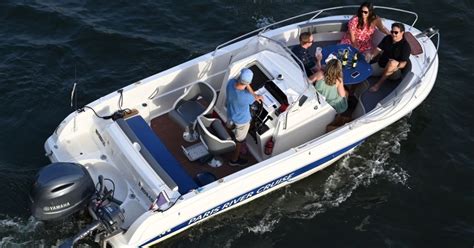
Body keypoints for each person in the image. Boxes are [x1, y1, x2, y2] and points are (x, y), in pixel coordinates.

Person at [226, 68, 263, 166]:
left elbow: (244, 85)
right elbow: (255, 97)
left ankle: (232, 136)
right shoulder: (247, 97)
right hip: (242, 121)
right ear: (249, 82)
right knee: (240, 141)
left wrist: (253, 94)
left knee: (230, 126)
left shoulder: (230, 83)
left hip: (231, 114)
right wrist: (258, 96)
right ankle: (234, 160)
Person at [367, 22, 411, 92]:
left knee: (392, 63)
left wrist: (396, 65)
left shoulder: (405, 46)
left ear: (402, 32)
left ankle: (378, 85)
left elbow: (404, 63)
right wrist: (371, 56)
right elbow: (378, 49)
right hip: (381, 66)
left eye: (396, 32)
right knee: (366, 70)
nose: (393, 34)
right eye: (392, 32)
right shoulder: (387, 38)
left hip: (393, 72)